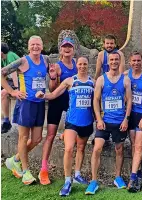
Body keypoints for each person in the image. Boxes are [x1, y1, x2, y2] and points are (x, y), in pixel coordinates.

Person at [36, 56, 94, 196]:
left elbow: (97, 101)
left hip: (87, 121)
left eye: (84, 64)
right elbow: (54, 94)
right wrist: (43, 96)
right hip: (72, 121)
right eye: (80, 64)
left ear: (88, 66)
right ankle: (67, 180)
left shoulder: (94, 82)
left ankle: (77, 175)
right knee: (68, 149)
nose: (82, 66)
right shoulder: (70, 80)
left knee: (81, 148)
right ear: (77, 66)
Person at [2, 36, 56, 185]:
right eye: (32, 45)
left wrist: (52, 78)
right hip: (25, 103)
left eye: (38, 44)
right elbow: (2, 73)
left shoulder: (45, 60)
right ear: (28, 46)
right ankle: (25, 171)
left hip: (39, 103)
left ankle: (15, 159)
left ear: (42, 45)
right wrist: (12, 92)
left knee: (37, 138)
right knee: (23, 137)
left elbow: (49, 78)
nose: (35, 47)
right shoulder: (23, 61)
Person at [85, 52, 132, 195]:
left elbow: (129, 100)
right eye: (111, 60)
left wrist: (126, 119)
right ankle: (93, 181)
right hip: (104, 122)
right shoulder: (101, 79)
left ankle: (117, 177)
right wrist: (98, 119)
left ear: (119, 61)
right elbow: (96, 100)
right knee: (97, 148)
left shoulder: (125, 80)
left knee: (119, 149)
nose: (114, 62)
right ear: (108, 62)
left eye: (116, 59)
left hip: (119, 122)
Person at [38, 37, 78, 185]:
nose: (67, 49)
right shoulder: (58, 66)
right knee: (50, 135)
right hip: (56, 102)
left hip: (70, 104)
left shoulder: (76, 64)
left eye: (70, 47)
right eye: (64, 47)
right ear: (60, 50)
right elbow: (52, 89)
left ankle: (64, 137)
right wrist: (54, 77)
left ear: (73, 49)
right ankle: (43, 169)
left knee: (74, 132)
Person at [124, 52, 142, 193]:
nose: (136, 63)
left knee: (139, 146)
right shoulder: (125, 75)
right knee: (134, 145)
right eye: (133, 60)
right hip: (130, 114)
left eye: (138, 60)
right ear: (130, 62)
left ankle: (133, 178)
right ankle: (139, 173)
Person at [1, 42, 19, 133]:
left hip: (21, 80)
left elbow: (14, 72)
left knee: (3, 93)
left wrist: (15, 89)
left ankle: (7, 121)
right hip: (11, 81)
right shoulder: (2, 59)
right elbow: (2, 74)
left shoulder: (10, 55)